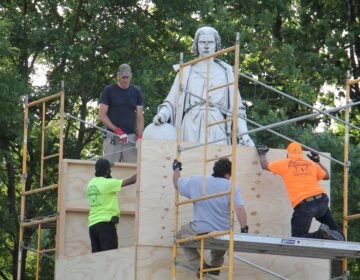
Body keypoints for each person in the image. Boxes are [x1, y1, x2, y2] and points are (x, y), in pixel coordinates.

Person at [152, 26, 254, 146]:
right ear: (197, 45)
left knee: (219, 162)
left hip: (217, 124)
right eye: (202, 42)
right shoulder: (186, 71)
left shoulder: (226, 72)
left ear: (216, 45)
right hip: (191, 125)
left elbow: (237, 108)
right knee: (189, 161)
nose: (206, 46)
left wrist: (244, 134)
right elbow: (171, 101)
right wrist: (163, 114)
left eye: (210, 42)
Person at [172, 158, 248, 277]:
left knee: (181, 237)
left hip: (201, 229)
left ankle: (200, 266)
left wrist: (176, 168)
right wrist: (244, 229)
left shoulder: (197, 181)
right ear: (228, 174)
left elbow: (177, 184)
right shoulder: (232, 186)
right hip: (222, 231)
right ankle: (215, 268)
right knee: (222, 241)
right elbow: (239, 209)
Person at [257, 142, 344, 241]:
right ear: (301, 154)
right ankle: (331, 234)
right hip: (322, 201)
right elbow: (327, 176)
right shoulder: (311, 164)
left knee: (297, 238)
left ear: (288, 154)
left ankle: (321, 235)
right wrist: (317, 161)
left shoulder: (284, 163)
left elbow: (264, 165)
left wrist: (261, 153)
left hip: (305, 205)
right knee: (339, 236)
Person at [86, 158, 137, 253]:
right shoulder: (107, 183)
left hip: (92, 226)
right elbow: (132, 180)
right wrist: (143, 170)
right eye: (109, 169)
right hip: (105, 225)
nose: (110, 171)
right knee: (110, 257)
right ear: (106, 171)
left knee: (97, 258)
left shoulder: (91, 184)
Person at [99, 63, 144, 163]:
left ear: (131, 76)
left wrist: (140, 137)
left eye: (127, 77)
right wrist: (117, 130)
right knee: (108, 167)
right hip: (112, 136)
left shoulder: (136, 92)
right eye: (123, 77)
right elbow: (102, 115)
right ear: (118, 75)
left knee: (132, 169)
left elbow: (139, 117)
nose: (125, 80)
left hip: (130, 137)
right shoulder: (109, 90)